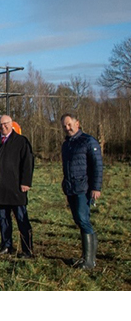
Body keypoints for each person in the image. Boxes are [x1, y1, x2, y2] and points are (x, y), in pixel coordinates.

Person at [0, 115, 35, 258]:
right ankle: (6, 245)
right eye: (0, 125)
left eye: (6, 124)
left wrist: (26, 182)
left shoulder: (21, 141)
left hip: (16, 188)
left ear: (12, 124)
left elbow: (28, 163)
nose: (3, 127)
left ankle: (27, 249)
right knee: (3, 219)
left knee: (21, 219)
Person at [60, 113, 103, 269]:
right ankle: (86, 257)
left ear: (77, 123)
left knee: (83, 220)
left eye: (69, 124)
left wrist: (96, 188)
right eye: (64, 126)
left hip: (83, 188)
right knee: (79, 220)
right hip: (71, 187)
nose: (67, 128)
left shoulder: (88, 141)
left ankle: (90, 261)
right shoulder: (67, 144)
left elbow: (97, 166)